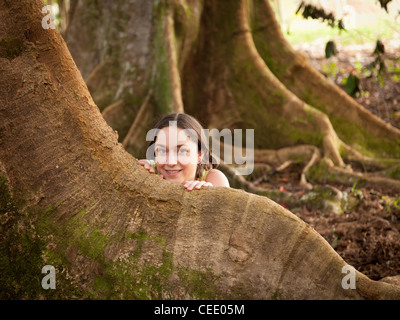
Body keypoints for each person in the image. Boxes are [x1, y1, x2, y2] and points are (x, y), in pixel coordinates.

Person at [138, 113, 230, 191]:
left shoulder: (214, 180)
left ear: (200, 154)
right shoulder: (149, 172)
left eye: (182, 151)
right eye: (162, 150)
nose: (171, 162)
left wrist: (209, 197)